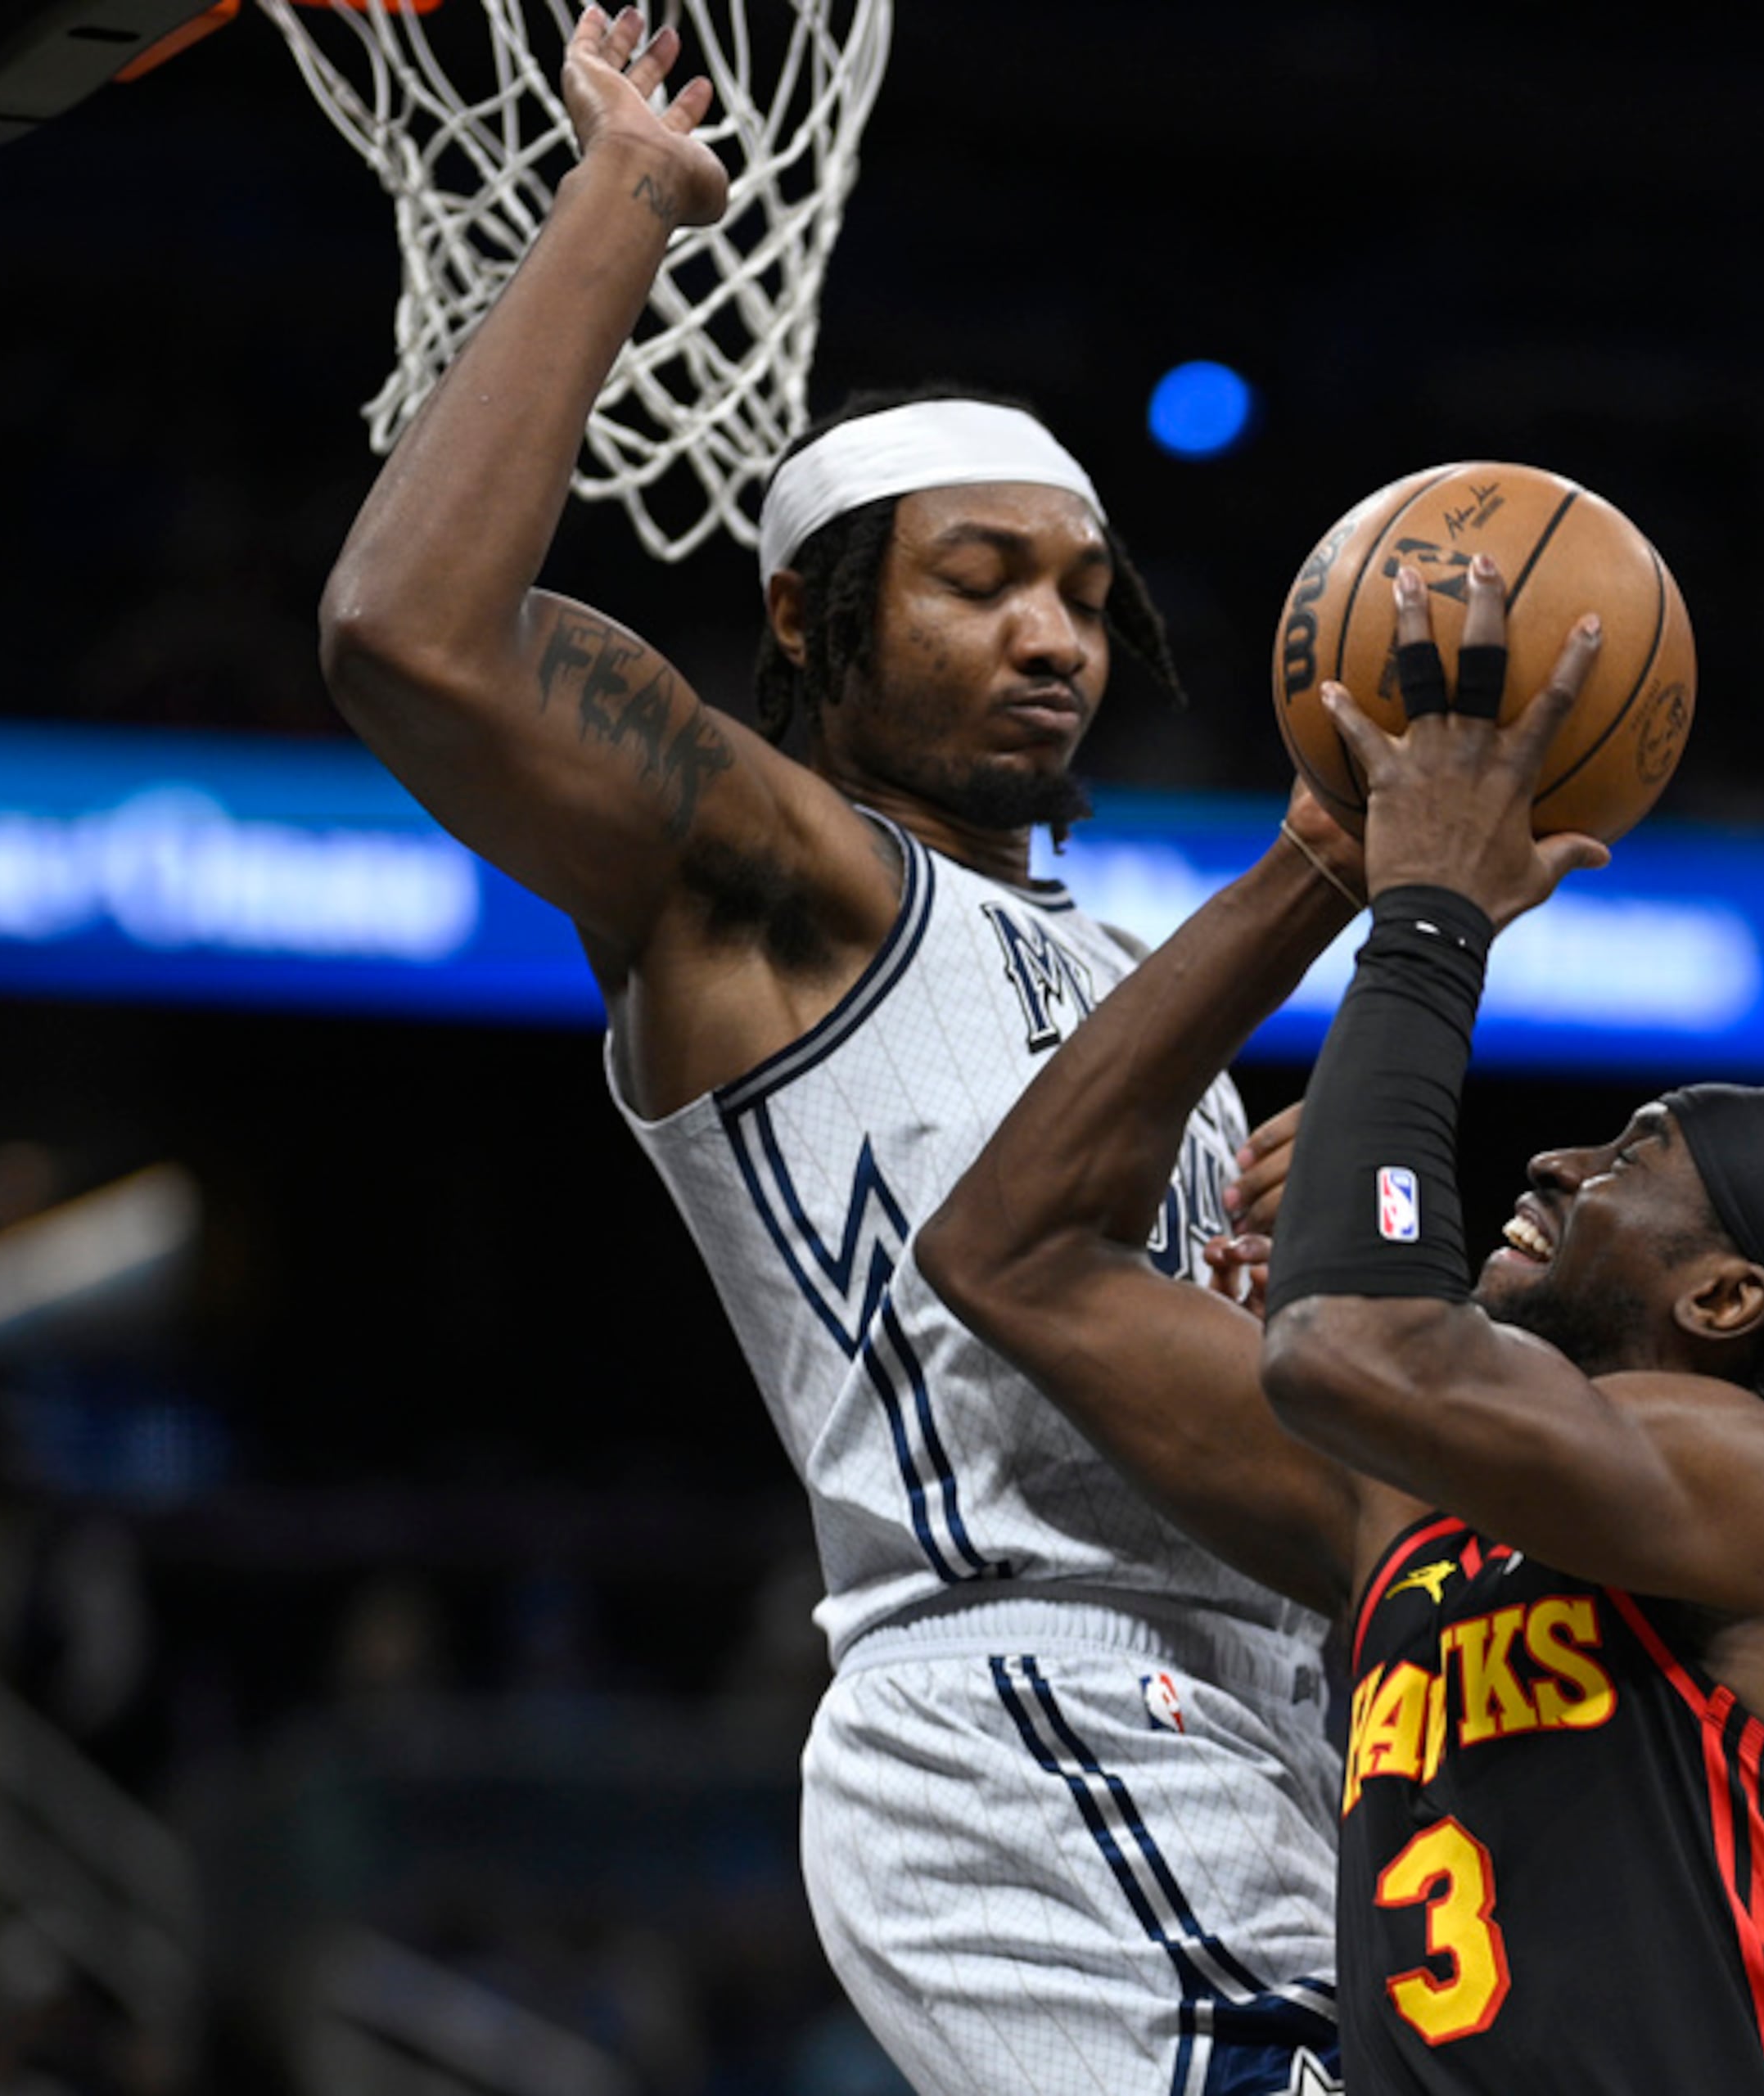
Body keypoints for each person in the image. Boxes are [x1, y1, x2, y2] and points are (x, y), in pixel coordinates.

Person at [314, 13, 1342, 2090]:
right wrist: (628, 206)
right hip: (1024, 1680)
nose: (1052, 637)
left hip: (1265, 1712)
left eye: (1079, 593)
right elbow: (406, 635)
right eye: (980, 585)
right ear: (806, 618)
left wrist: (1289, 1285)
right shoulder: (780, 878)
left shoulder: (1130, 977)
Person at [914, 560, 1764, 2095]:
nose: (1555, 1160)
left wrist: (1428, 917)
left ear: (1725, 1300)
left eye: (1632, 1157)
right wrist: (1319, 866)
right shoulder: (1409, 1507)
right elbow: (1009, 1253)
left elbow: (1361, 1347)